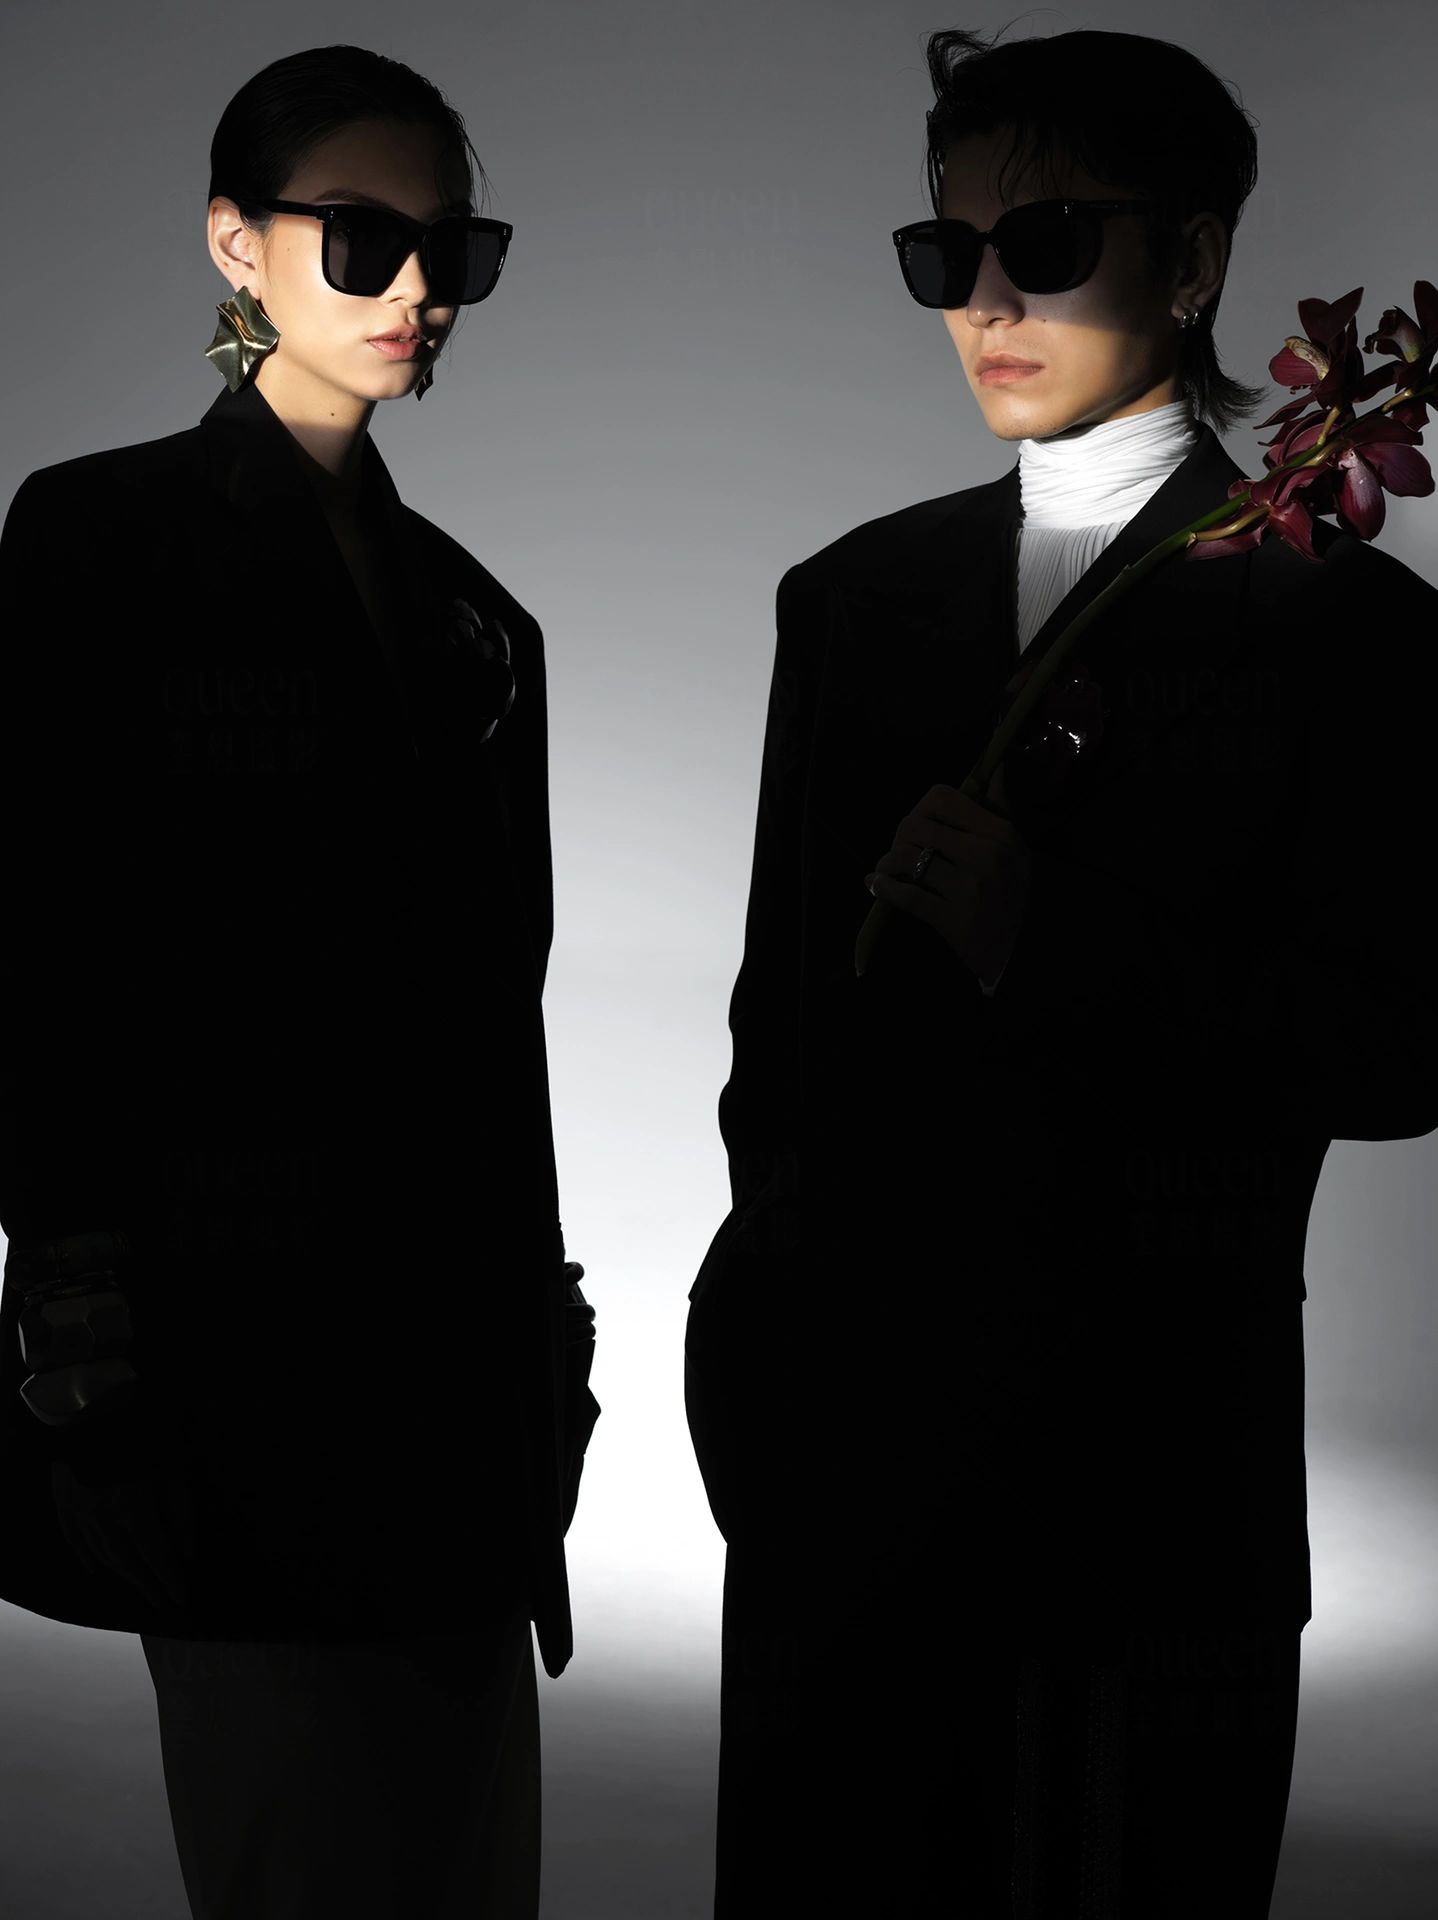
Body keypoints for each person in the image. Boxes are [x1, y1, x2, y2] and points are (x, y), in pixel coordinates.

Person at [684, 25, 1437, 1919]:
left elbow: (1396, 1049)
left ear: (1193, 261)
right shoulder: (851, 599)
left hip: (1146, 1495)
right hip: (843, 1486)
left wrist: (1055, 939)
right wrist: (757, 1343)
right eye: (944, 254)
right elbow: (779, 1030)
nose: (985, 303)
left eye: (1042, 242)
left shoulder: (1347, 630)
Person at [0, 44, 597, 1920]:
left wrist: (546, 1347)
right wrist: (79, 1328)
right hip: (227, 1372)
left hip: (455, 1398)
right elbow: (41, 961)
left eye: (453, 248)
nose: (415, 286)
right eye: (358, 236)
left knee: (466, 1867)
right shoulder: (96, 539)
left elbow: (498, 1023)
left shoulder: (480, 621)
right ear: (232, 245)